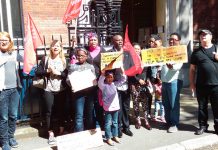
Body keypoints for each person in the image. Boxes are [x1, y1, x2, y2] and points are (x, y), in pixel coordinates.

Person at [35, 40, 68, 145]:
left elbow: (67, 74)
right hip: (48, 89)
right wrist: (47, 71)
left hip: (61, 89)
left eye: (58, 46)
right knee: (49, 112)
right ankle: (51, 134)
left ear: (61, 48)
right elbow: (38, 72)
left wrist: (58, 73)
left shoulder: (64, 60)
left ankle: (61, 131)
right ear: (51, 48)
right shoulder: (45, 59)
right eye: (53, 46)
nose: (56, 48)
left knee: (61, 110)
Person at [189, 29, 218, 135]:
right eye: (201, 35)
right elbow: (192, 70)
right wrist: (192, 84)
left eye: (205, 34)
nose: (202, 36)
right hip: (201, 85)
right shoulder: (196, 52)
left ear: (211, 36)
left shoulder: (217, 48)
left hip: (216, 84)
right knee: (202, 107)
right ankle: (203, 126)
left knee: (217, 107)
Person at [0, 32, 22, 150]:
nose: (3, 42)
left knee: (13, 116)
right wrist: (9, 56)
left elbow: (27, 59)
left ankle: (10, 137)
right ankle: (4, 142)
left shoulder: (13, 53)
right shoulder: (6, 55)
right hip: (2, 91)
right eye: (1, 40)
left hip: (15, 89)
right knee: (3, 117)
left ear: (9, 42)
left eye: (5, 40)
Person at [108, 34, 133, 137]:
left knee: (126, 108)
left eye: (121, 40)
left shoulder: (127, 53)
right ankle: (118, 128)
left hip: (127, 85)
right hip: (116, 84)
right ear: (113, 42)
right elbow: (107, 68)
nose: (120, 42)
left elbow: (132, 66)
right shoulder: (109, 53)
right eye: (117, 40)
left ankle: (126, 127)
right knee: (118, 108)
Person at [67, 47, 96, 132]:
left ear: (86, 56)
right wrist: (72, 85)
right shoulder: (73, 67)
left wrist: (92, 84)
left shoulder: (91, 67)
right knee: (79, 115)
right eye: (78, 56)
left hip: (89, 93)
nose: (80, 57)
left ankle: (90, 134)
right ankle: (79, 135)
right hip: (78, 94)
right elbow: (68, 80)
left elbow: (94, 80)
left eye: (82, 56)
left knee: (89, 114)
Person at [161, 32, 183, 133]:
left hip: (174, 81)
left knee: (174, 104)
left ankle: (174, 124)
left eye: (174, 39)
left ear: (179, 41)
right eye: (170, 39)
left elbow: (178, 66)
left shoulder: (180, 52)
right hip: (164, 81)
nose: (171, 41)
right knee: (166, 103)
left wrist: (172, 67)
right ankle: (168, 122)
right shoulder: (165, 51)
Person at [98, 69, 126, 146]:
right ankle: (108, 138)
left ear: (113, 78)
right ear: (106, 78)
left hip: (116, 107)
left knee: (115, 122)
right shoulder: (103, 86)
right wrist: (102, 75)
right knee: (108, 123)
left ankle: (115, 135)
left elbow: (123, 80)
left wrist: (123, 72)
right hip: (108, 108)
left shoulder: (114, 84)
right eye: (108, 77)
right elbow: (100, 82)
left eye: (111, 77)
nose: (110, 79)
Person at [130, 43, 152, 130]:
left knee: (145, 104)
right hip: (135, 85)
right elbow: (130, 73)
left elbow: (149, 71)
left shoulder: (145, 59)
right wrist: (138, 80)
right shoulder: (130, 60)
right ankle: (138, 120)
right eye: (135, 49)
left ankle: (146, 120)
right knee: (136, 104)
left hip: (144, 85)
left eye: (138, 49)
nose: (137, 50)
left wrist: (148, 79)